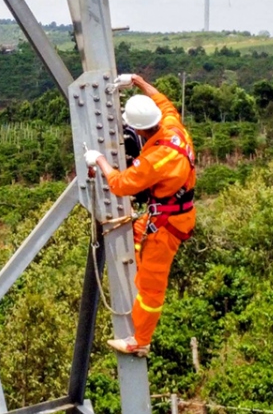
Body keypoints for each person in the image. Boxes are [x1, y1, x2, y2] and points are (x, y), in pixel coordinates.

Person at [84, 73, 196, 357]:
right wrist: (137, 80)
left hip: (168, 225)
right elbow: (164, 101)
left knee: (151, 289)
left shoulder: (155, 160)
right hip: (169, 215)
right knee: (134, 234)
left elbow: (120, 184)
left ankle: (140, 341)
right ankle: (134, 267)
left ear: (139, 130)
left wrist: (98, 160)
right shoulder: (173, 127)